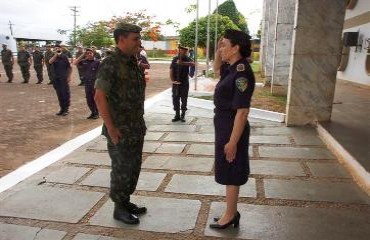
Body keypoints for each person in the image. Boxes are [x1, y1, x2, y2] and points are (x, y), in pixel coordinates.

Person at [94, 22, 147, 225]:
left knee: (133, 167)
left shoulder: (132, 62)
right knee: (121, 169)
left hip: (135, 127)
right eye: (135, 39)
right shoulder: (110, 63)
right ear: (121, 39)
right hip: (120, 129)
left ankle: (125, 201)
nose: (139, 43)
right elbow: (100, 97)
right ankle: (119, 208)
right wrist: (111, 128)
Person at [210, 29, 255, 229]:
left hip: (232, 127)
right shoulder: (232, 67)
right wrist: (220, 44)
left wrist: (233, 142)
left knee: (232, 168)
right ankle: (231, 211)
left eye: (225, 46)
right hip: (224, 125)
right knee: (227, 168)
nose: (221, 49)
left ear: (236, 48)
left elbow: (242, 111)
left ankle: (230, 215)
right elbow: (215, 67)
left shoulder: (242, 72)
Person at [169, 46, 195, 122]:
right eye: (180, 51)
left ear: (186, 52)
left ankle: (182, 115)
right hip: (176, 82)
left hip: (184, 83)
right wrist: (172, 80)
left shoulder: (187, 59)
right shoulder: (175, 59)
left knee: (184, 99)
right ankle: (177, 114)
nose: (182, 52)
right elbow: (171, 69)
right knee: (175, 98)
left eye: (184, 51)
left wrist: (183, 63)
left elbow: (193, 64)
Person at [73, 48, 100, 119]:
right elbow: (75, 63)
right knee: (89, 99)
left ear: (93, 53)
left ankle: (97, 113)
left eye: (90, 53)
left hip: (95, 83)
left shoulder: (97, 62)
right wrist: (82, 55)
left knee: (95, 99)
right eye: (87, 53)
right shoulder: (84, 61)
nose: (89, 54)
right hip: (87, 83)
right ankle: (93, 112)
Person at [49, 44, 72, 116]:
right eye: (55, 49)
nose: (57, 50)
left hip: (63, 78)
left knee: (65, 93)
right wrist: (56, 55)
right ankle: (62, 109)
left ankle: (66, 109)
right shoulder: (54, 57)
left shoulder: (64, 57)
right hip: (56, 78)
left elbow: (70, 67)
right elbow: (50, 62)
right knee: (59, 94)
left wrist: (69, 77)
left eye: (58, 49)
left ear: (61, 49)